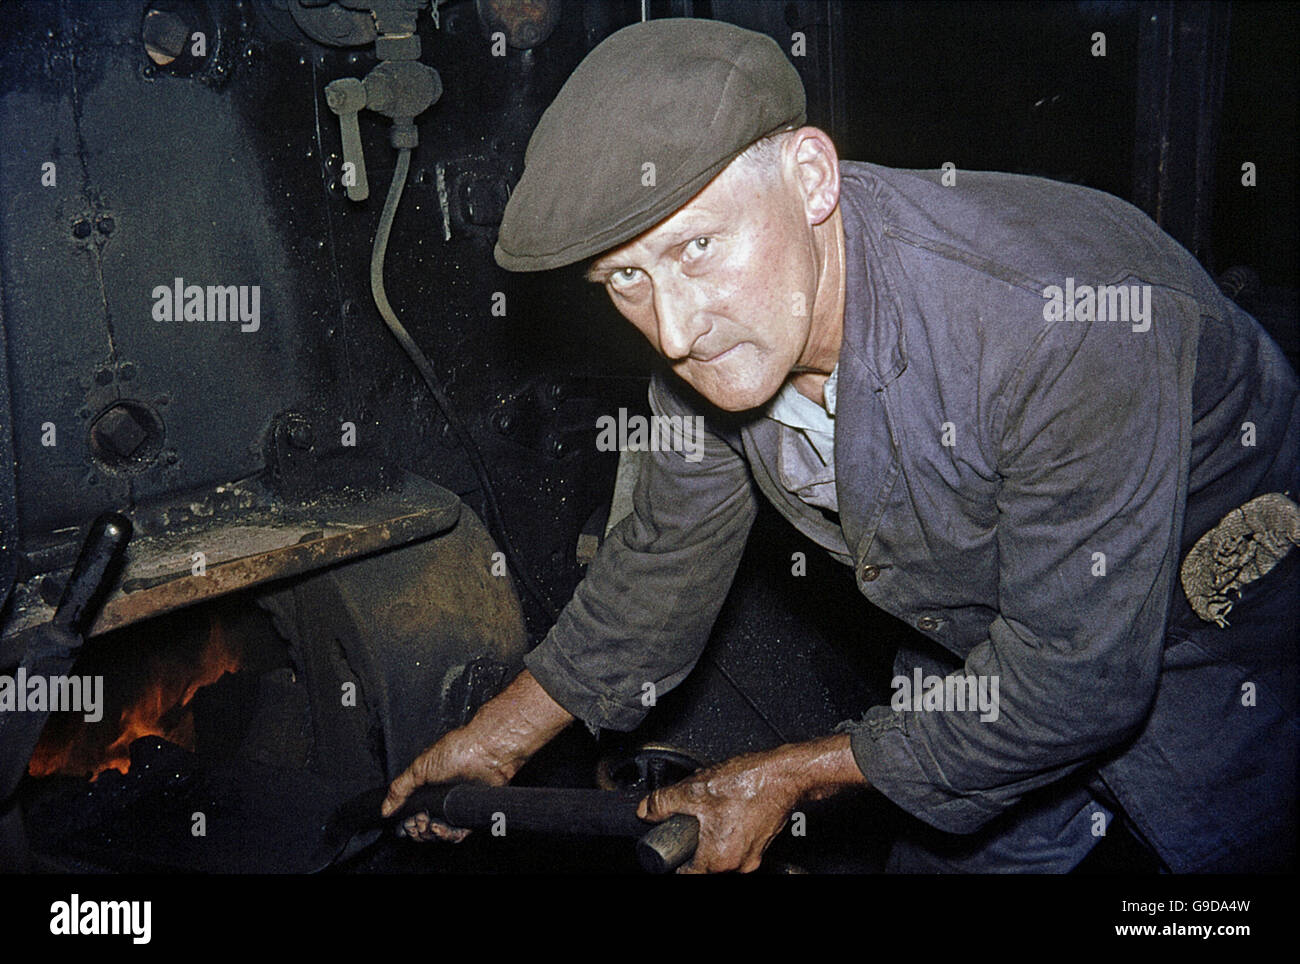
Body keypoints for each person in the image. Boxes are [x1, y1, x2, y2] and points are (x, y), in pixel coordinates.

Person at [381, 17, 1299, 873]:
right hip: (976, 648)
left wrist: (788, 775)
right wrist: (494, 739)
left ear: (812, 178)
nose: (671, 331)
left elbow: (1074, 685)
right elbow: (656, 574)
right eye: (626, 276)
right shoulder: (710, 360)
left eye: (697, 247)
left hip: (1210, 652)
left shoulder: (1059, 325)